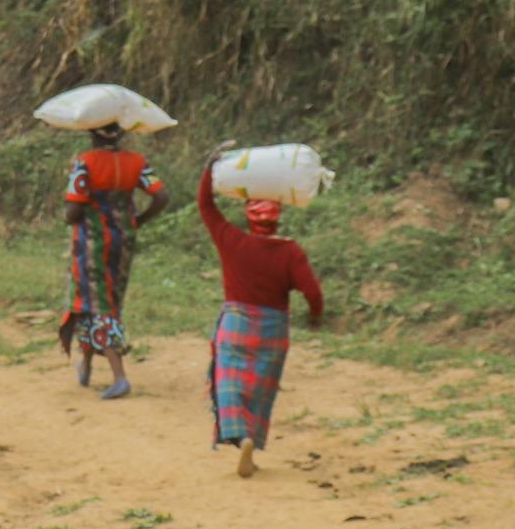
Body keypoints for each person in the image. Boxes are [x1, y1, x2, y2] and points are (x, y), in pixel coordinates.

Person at [199, 144, 325, 478]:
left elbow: (206, 206)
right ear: (278, 216)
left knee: (229, 383)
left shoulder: (231, 240)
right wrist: (315, 315)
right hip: (272, 330)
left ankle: (240, 440)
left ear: (248, 215)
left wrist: (209, 168)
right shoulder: (290, 253)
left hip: (236, 324)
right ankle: (252, 440)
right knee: (260, 389)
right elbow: (312, 292)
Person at [59, 124, 170, 400]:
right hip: (124, 239)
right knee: (108, 299)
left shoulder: (84, 163)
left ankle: (119, 377)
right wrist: (138, 220)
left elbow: (74, 210)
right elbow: (161, 195)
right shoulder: (137, 162)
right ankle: (85, 364)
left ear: (92, 134)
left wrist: (68, 215)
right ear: (120, 135)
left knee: (95, 302)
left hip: (92, 242)